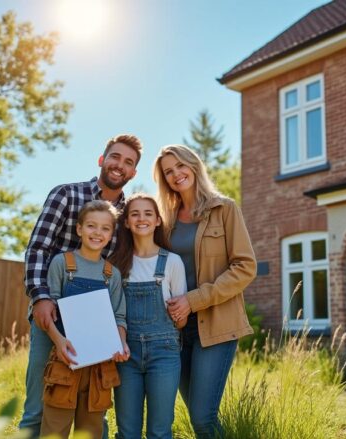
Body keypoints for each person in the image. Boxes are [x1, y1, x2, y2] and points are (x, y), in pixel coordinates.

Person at [20, 134, 142, 437]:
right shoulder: (67, 195)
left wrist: (118, 335)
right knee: (39, 407)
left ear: (133, 172)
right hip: (52, 316)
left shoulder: (128, 215)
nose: (120, 165)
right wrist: (40, 297)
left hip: (97, 327)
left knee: (94, 409)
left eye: (128, 162)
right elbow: (38, 248)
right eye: (115, 157)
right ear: (102, 159)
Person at [154, 144, 257, 438]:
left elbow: (245, 267)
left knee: (203, 418)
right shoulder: (165, 220)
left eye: (180, 166)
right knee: (197, 417)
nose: (176, 174)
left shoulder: (224, 209)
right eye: (168, 172)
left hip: (216, 325)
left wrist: (193, 300)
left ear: (194, 165)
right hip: (176, 330)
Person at [39, 200, 130, 439]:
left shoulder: (111, 274)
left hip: (100, 366)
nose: (97, 233)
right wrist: (59, 342)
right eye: (91, 226)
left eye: (105, 228)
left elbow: (119, 316)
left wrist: (121, 343)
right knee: (54, 430)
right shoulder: (62, 263)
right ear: (79, 229)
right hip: (65, 360)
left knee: (90, 431)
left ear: (111, 234)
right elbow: (49, 311)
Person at [109, 193, 188, 439]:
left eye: (148, 214)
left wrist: (178, 313)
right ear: (126, 222)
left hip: (164, 353)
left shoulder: (172, 262)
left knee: (160, 431)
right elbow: (111, 313)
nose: (141, 218)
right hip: (126, 355)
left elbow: (181, 321)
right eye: (134, 214)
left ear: (157, 221)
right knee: (127, 432)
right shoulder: (115, 264)